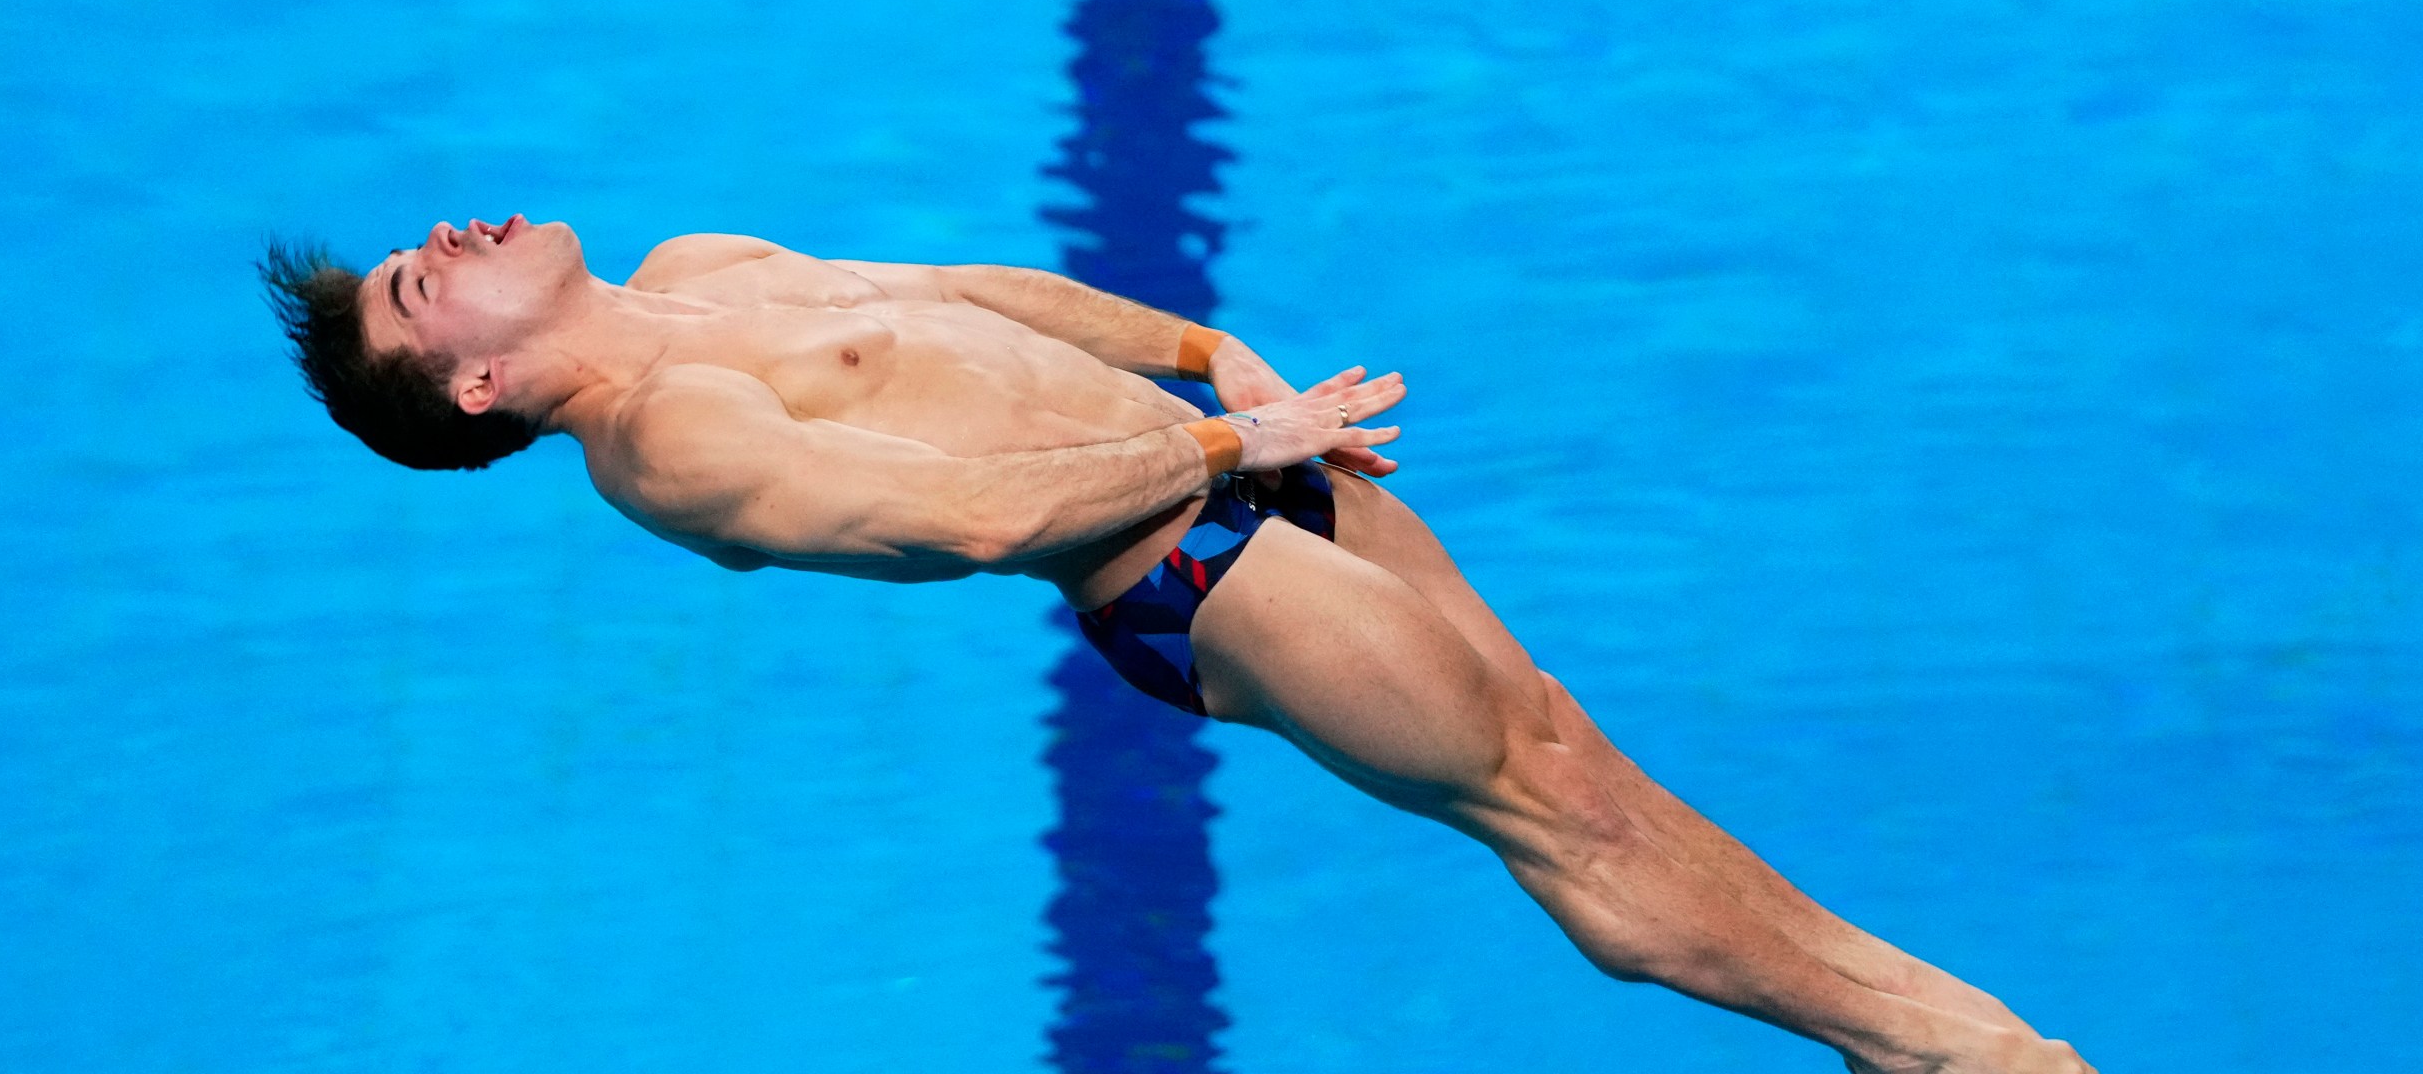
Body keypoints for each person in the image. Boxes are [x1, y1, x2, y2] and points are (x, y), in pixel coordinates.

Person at [261, 214, 2093, 1074]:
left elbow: (977, 297)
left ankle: (1915, 1046)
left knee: (1557, 743)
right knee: (1555, 812)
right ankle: (1955, 1051)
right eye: (425, 287)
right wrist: (1228, 449)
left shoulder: (705, 270)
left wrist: (1212, 356)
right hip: (1197, 566)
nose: (443, 232)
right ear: (482, 385)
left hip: (1236, 463)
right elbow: (976, 518)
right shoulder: (665, 445)